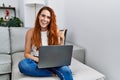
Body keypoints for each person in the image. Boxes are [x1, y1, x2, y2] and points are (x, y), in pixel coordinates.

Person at [18, 6, 73, 80]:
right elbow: (26, 53)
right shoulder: (30, 32)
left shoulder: (55, 31)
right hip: (37, 60)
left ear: (51, 20)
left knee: (67, 71)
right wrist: (37, 60)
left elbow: (59, 52)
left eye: (48, 17)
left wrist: (62, 39)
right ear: (38, 16)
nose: (45, 19)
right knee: (23, 65)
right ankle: (52, 73)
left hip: (53, 60)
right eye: (43, 16)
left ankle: (50, 70)